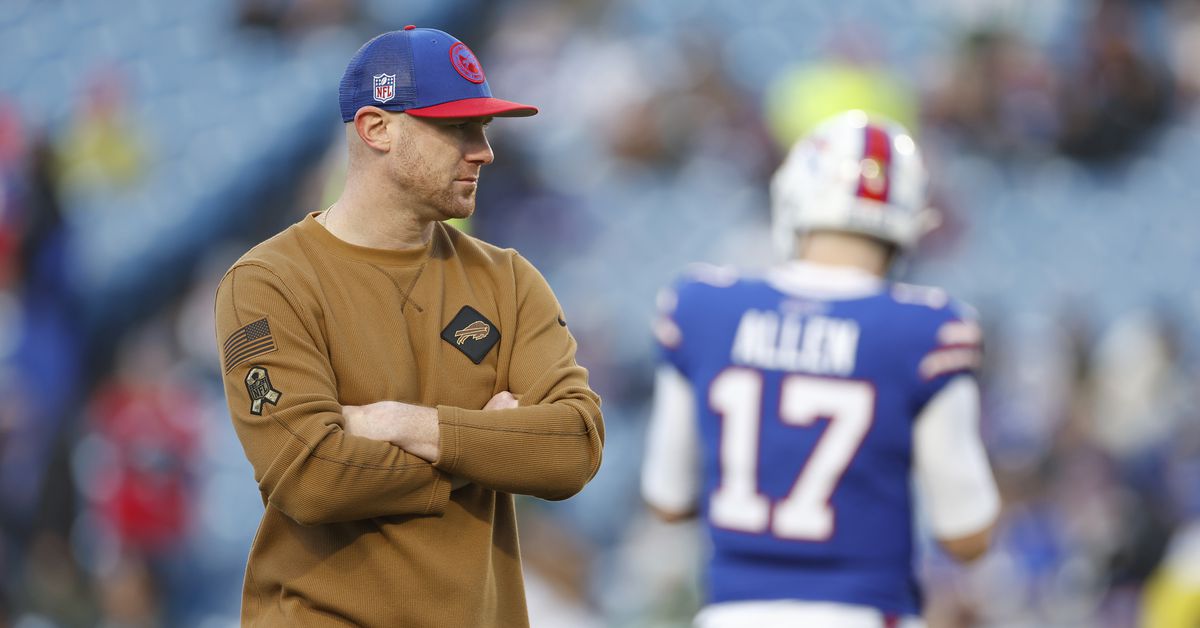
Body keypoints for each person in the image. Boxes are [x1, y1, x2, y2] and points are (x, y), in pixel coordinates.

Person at [213, 27, 604, 627]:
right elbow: (310, 476)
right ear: (376, 128)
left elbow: (574, 447)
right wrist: (483, 445)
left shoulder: (508, 278)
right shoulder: (268, 281)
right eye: (457, 128)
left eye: (483, 128)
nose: (483, 151)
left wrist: (408, 424)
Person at [641, 110, 1000, 627]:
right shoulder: (924, 329)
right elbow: (964, 533)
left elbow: (668, 499)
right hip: (863, 611)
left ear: (792, 198)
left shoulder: (702, 307)